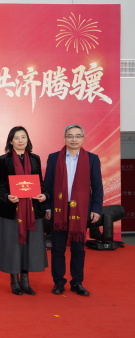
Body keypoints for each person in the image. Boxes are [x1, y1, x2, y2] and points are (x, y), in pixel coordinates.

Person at [44, 124, 103, 296]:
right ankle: (58, 282)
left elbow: (97, 187)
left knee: (78, 248)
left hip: (81, 209)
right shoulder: (54, 158)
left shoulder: (92, 159)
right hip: (59, 209)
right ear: (64, 138)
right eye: (70, 136)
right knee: (58, 248)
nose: (74, 139)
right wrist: (47, 206)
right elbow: (47, 185)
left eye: (78, 136)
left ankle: (77, 282)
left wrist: (96, 208)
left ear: (83, 139)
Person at [0, 126, 48, 295]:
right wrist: (6, 196)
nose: (20, 140)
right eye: (16, 138)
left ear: (28, 139)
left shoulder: (35, 159)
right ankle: (14, 280)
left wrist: (43, 194)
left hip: (32, 209)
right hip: (11, 209)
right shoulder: (2, 160)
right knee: (13, 245)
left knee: (29, 245)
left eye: (23, 137)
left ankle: (25, 280)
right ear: (10, 141)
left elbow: (40, 182)